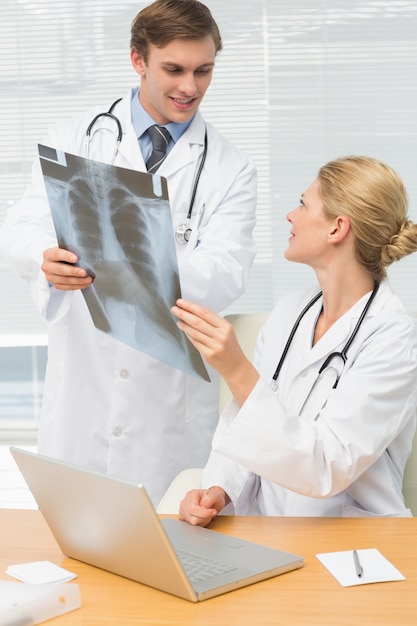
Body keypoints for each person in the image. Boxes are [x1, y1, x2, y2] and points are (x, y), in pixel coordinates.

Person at [0, 0, 256, 505]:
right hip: (83, 393)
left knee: (167, 556)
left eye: (204, 70)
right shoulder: (74, 137)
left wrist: (128, 258)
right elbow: (22, 225)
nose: (191, 87)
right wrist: (46, 257)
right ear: (138, 60)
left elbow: (228, 270)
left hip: (166, 410)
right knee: (80, 552)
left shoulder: (231, 168)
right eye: (174, 70)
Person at [172, 155, 417, 524]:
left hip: (353, 543)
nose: (291, 215)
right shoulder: (290, 311)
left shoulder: (394, 338)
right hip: (269, 531)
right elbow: (248, 419)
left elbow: (326, 466)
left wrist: (235, 369)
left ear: (337, 228)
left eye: (303, 204)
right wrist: (219, 490)